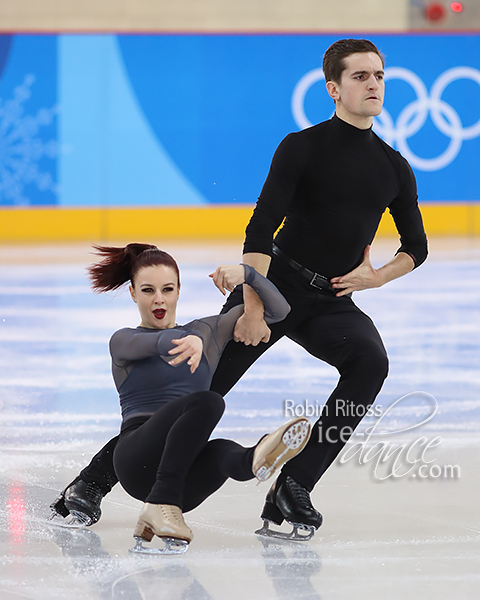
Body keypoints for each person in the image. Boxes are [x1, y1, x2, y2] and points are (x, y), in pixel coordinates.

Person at [51, 38, 428, 539]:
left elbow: (416, 245)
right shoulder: (302, 147)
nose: (374, 84)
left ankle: (293, 487)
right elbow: (260, 230)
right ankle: (91, 484)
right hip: (275, 286)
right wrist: (252, 307)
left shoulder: (393, 166)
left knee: (370, 363)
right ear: (333, 88)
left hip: (333, 300)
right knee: (197, 388)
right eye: (361, 76)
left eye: (380, 75)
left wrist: (376, 276)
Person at [53, 242, 312, 552]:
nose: (159, 299)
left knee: (221, 452)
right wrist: (191, 339)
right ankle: (160, 503)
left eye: (167, 289)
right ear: (134, 294)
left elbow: (280, 311)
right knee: (209, 401)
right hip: (135, 460)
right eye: (148, 291)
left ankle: (255, 458)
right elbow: (160, 343)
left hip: (183, 485)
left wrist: (248, 275)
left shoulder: (207, 332)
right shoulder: (124, 341)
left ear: (178, 291)